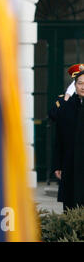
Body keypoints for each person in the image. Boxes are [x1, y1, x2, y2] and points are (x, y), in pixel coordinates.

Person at [52, 69, 84, 211]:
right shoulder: (67, 106)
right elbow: (59, 138)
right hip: (70, 162)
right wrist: (57, 164)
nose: (83, 87)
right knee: (71, 203)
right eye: (80, 83)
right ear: (74, 86)